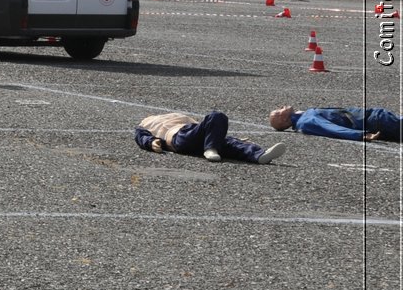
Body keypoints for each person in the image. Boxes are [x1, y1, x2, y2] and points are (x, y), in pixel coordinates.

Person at [136, 110, 285, 164]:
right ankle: (211, 148)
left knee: (232, 144)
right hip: (180, 136)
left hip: (195, 133)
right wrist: (150, 143)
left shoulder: (174, 116)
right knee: (217, 116)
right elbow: (140, 135)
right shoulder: (146, 123)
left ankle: (260, 155)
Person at [269, 105, 400, 142]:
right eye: (279, 110)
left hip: (375, 122)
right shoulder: (306, 120)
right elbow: (330, 129)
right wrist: (360, 135)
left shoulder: (302, 118)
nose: (282, 106)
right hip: (374, 120)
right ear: (283, 119)